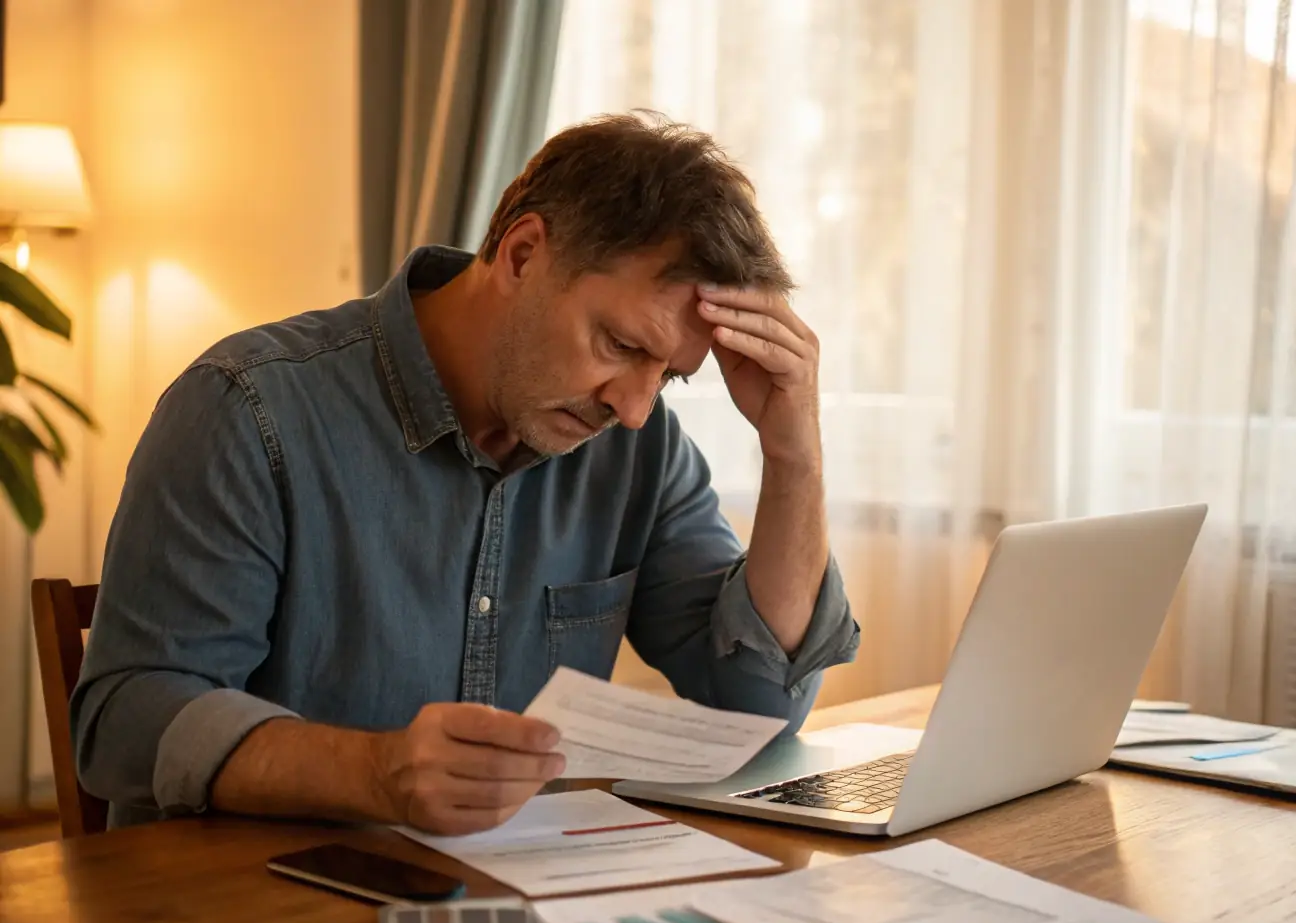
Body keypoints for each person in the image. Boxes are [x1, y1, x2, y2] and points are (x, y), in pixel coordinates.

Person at [72, 113, 860, 833]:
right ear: (522, 254)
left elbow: (760, 705)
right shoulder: (248, 412)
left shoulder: (638, 451)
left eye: (669, 374)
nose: (632, 406)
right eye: (621, 346)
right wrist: (374, 774)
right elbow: (125, 721)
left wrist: (795, 455)